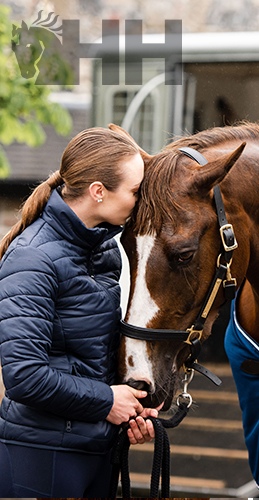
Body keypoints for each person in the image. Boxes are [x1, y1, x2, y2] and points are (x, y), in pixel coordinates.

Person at [0, 126, 157, 497]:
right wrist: (107, 402)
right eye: (136, 191)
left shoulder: (104, 249)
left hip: (97, 449)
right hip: (41, 455)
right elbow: (24, 375)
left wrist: (134, 402)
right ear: (98, 191)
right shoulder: (32, 258)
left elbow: (92, 354)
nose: (141, 202)